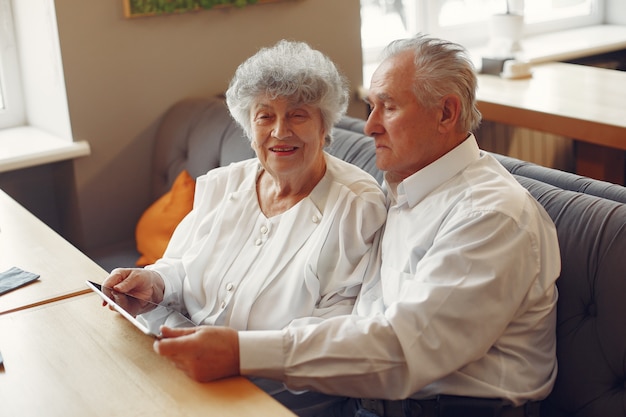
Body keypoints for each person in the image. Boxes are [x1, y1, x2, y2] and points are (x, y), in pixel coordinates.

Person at [152, 34, 561, 417]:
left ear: (447, 113)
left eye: (390, 107)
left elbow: (403, 347)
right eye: (371, 107)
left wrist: (242, 352)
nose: (369, 127)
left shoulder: (489, 215)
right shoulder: (404, 190)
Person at [101, 40, 387, 416]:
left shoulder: (356, 206)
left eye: (298, 115)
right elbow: (183, 265)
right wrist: (153, 282)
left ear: (324, 126)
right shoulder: (224, 184)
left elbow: (339, 335)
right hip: (181, 368)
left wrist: (240, 356)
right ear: (249, 126)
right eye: (265, 116)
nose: (280, 131)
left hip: (273, 395)